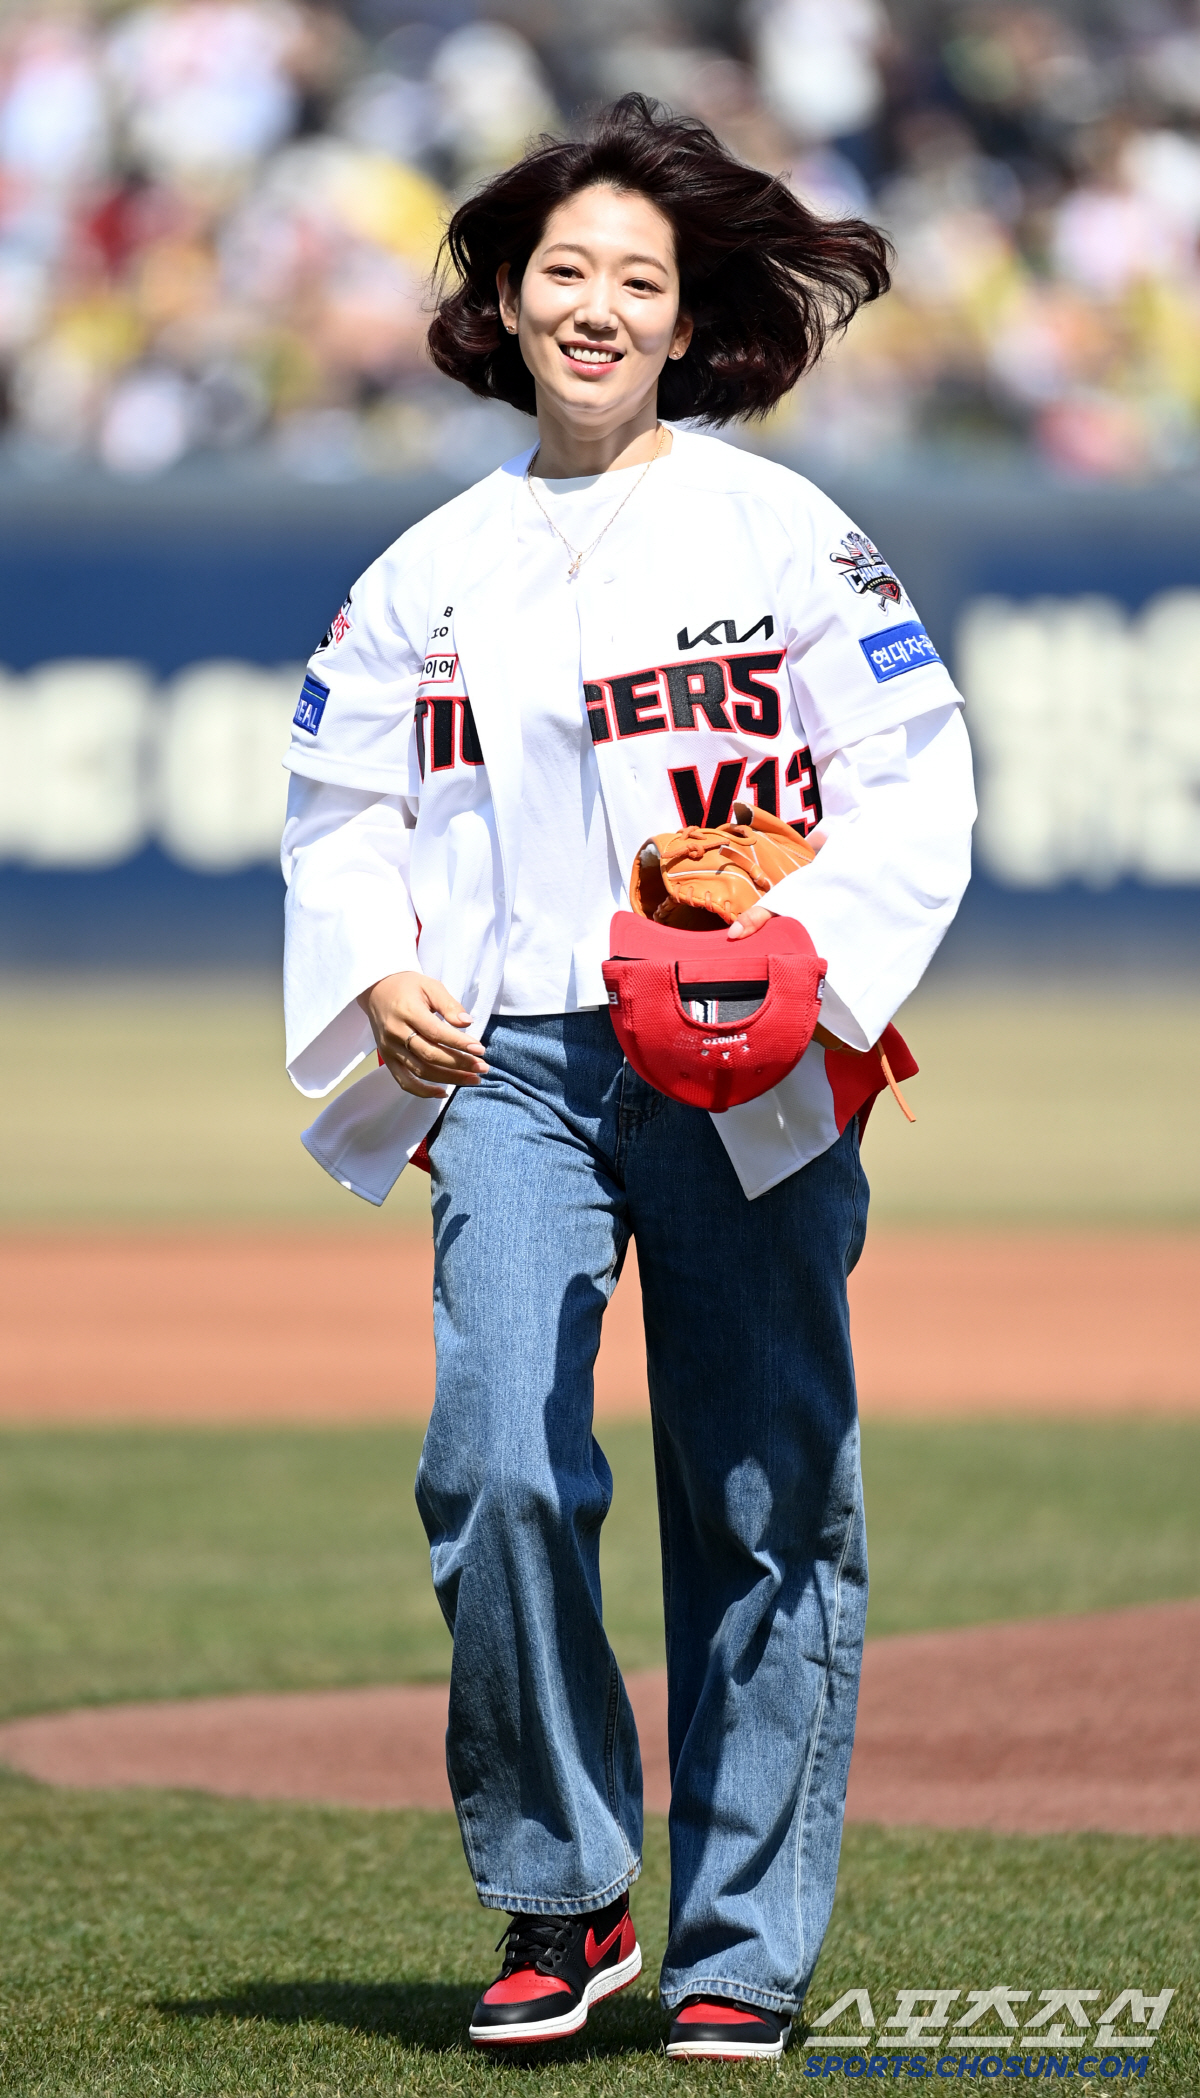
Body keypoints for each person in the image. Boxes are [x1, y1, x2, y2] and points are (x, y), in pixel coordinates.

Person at [280, 93, 975, 2062]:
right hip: (511, 1066)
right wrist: (383, 968)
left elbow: (913, 779)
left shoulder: (790, 534)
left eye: (636, 280)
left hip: (751, 1072)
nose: (595, 305)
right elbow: (340, 812)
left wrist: (814, 970)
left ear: (687, 323)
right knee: (495, 1459)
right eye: (561, 270)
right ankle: (563, 1886)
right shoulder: (421, 571)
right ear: (503, 301)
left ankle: (741, 1940)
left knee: (769, 1503)